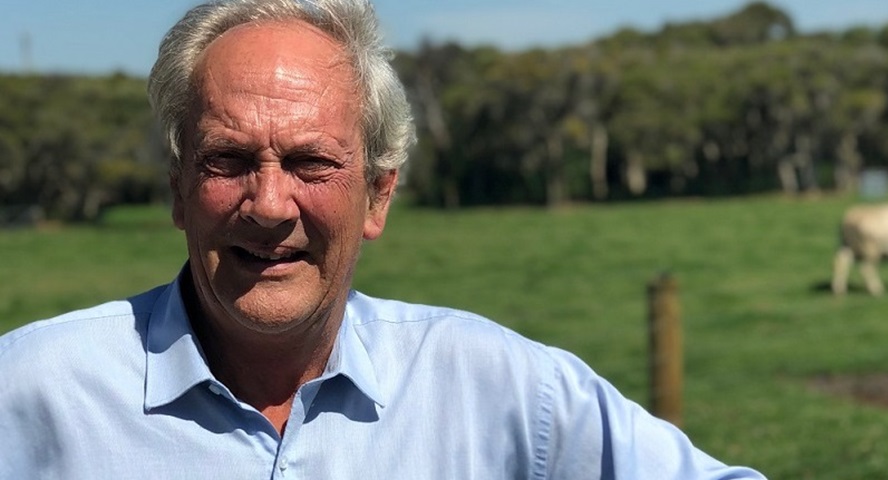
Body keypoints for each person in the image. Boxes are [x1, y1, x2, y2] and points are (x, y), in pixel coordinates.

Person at [0, 0, 766, 478]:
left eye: (311, 163)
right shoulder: (32, 392)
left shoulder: (500, 392)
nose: (270, 205)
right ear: (177, 190)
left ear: (379, 194)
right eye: (228, 160)